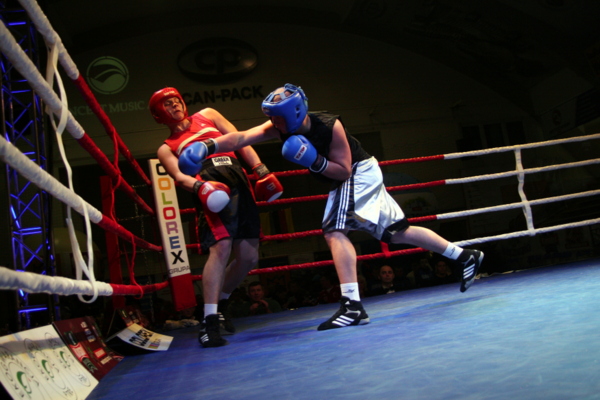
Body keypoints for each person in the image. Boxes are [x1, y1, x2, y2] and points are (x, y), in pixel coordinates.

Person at [176, 83, 484, 331]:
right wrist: (208, 145)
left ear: (295, 112)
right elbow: (242, 137)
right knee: (397, 232)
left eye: (279, 117)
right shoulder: (279, 125)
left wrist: (314, 160)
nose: (275, 123)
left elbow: (344, 171)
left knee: (334, 231)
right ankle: (464, 255)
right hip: (356, 175)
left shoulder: (329, 126)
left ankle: (352, 306)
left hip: (356, 173)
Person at [150, 87, 283, 347]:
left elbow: (239, 139)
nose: (175, 105)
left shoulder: (208, 114)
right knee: (221, 248)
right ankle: (209, 322)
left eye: (176, 100)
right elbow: (180, 177)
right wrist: (202, 188)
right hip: (211, 186)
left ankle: (221, 303)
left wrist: (261, 170)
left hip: (238, 179)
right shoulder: (166, 148)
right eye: (167, 104)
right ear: (158, 115)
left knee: (248, 257)